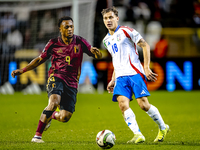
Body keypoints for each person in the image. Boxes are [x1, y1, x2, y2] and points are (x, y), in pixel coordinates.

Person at [11, 16, 102, 143]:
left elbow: (96, 53)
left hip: (72, 82)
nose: (70, 29)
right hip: (56, 77)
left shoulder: (80, 41)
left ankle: (50, 116)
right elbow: (39, 59)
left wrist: (97, 53)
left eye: (71, 26)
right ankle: (37, 136)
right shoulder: (53, 43)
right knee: (54, 102)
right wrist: (23, 70)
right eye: (66, 27)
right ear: (60, 29)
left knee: (65, 117)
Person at [101, 6, 169, 143]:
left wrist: (147, 67)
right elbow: (116, 60)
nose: (108, 20)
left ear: (117, 18)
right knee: (122, 105)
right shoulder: (106, 40)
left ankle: (163, 127)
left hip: (134, 73)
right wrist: (113, 79)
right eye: (105, 18)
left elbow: (145, 45)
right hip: (120, 77)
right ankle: (138, 134)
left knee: (143, 105)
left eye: (110, 17)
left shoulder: (126, 31)